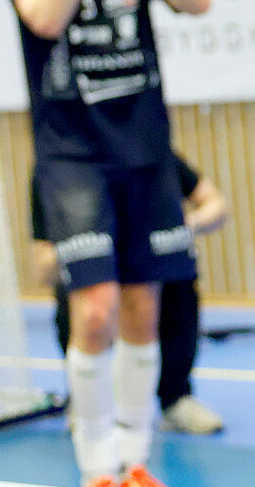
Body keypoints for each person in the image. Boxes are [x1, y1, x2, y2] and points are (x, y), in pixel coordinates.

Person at [3, 0, 212, 487]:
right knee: (91, 311)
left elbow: (196, 0)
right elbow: (45, 16)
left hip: (144, 155)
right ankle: (95, 473)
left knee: (141, 312)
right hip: (73, 160)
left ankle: (135, 464)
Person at [32, 154, 230, 435]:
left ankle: (175, 398)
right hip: (96, 267)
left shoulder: (151, 151)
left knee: (175, 275)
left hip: (149, 266)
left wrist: (184, 225)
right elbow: (43, 266)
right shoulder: (57, 166)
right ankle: (88, 401)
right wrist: (86, 252)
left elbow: (216, 204)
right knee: (85, 297)